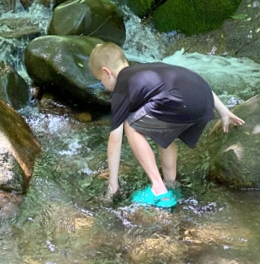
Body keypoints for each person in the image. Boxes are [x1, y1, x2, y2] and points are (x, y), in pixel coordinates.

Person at [89, 41, 245, 209]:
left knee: (131, 124)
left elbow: (115, 139)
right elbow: (191, 80)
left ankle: (158, 188)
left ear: (107, 72)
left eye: (100, 80)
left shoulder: (122, 87)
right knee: (160, 128)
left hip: (179, 102)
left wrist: (113, 184)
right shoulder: (150, 69)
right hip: (203, 97)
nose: (103, 86)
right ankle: (171, 184)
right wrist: (223, 111)